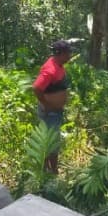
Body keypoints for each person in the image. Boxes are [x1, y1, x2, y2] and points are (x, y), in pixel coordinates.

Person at [32, 39, 75, 173]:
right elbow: (37, 88)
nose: (70, 56)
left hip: (55, 112)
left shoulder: (58, 65)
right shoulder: (50, 69)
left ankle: (48, 169)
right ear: (60, 53)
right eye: (68, 53)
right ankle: (51, 170)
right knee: (50, 142)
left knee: (50, 140)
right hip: (50, 112)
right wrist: (47, 104)